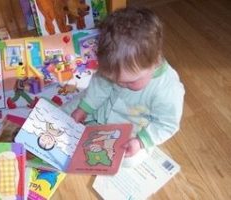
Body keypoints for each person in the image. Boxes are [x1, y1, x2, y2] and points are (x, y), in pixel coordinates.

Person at [62, 7, 185, 166]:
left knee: (128, 160)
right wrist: (84, 108)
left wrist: (141, 141)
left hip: (132, 129)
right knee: (67, 111)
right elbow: (100, 85)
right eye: (113, 79)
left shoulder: (167, 90)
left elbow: (167, 124)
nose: (120, 84)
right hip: (100, 107)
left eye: (129, 82)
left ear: (154, 62)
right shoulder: (118, 69)